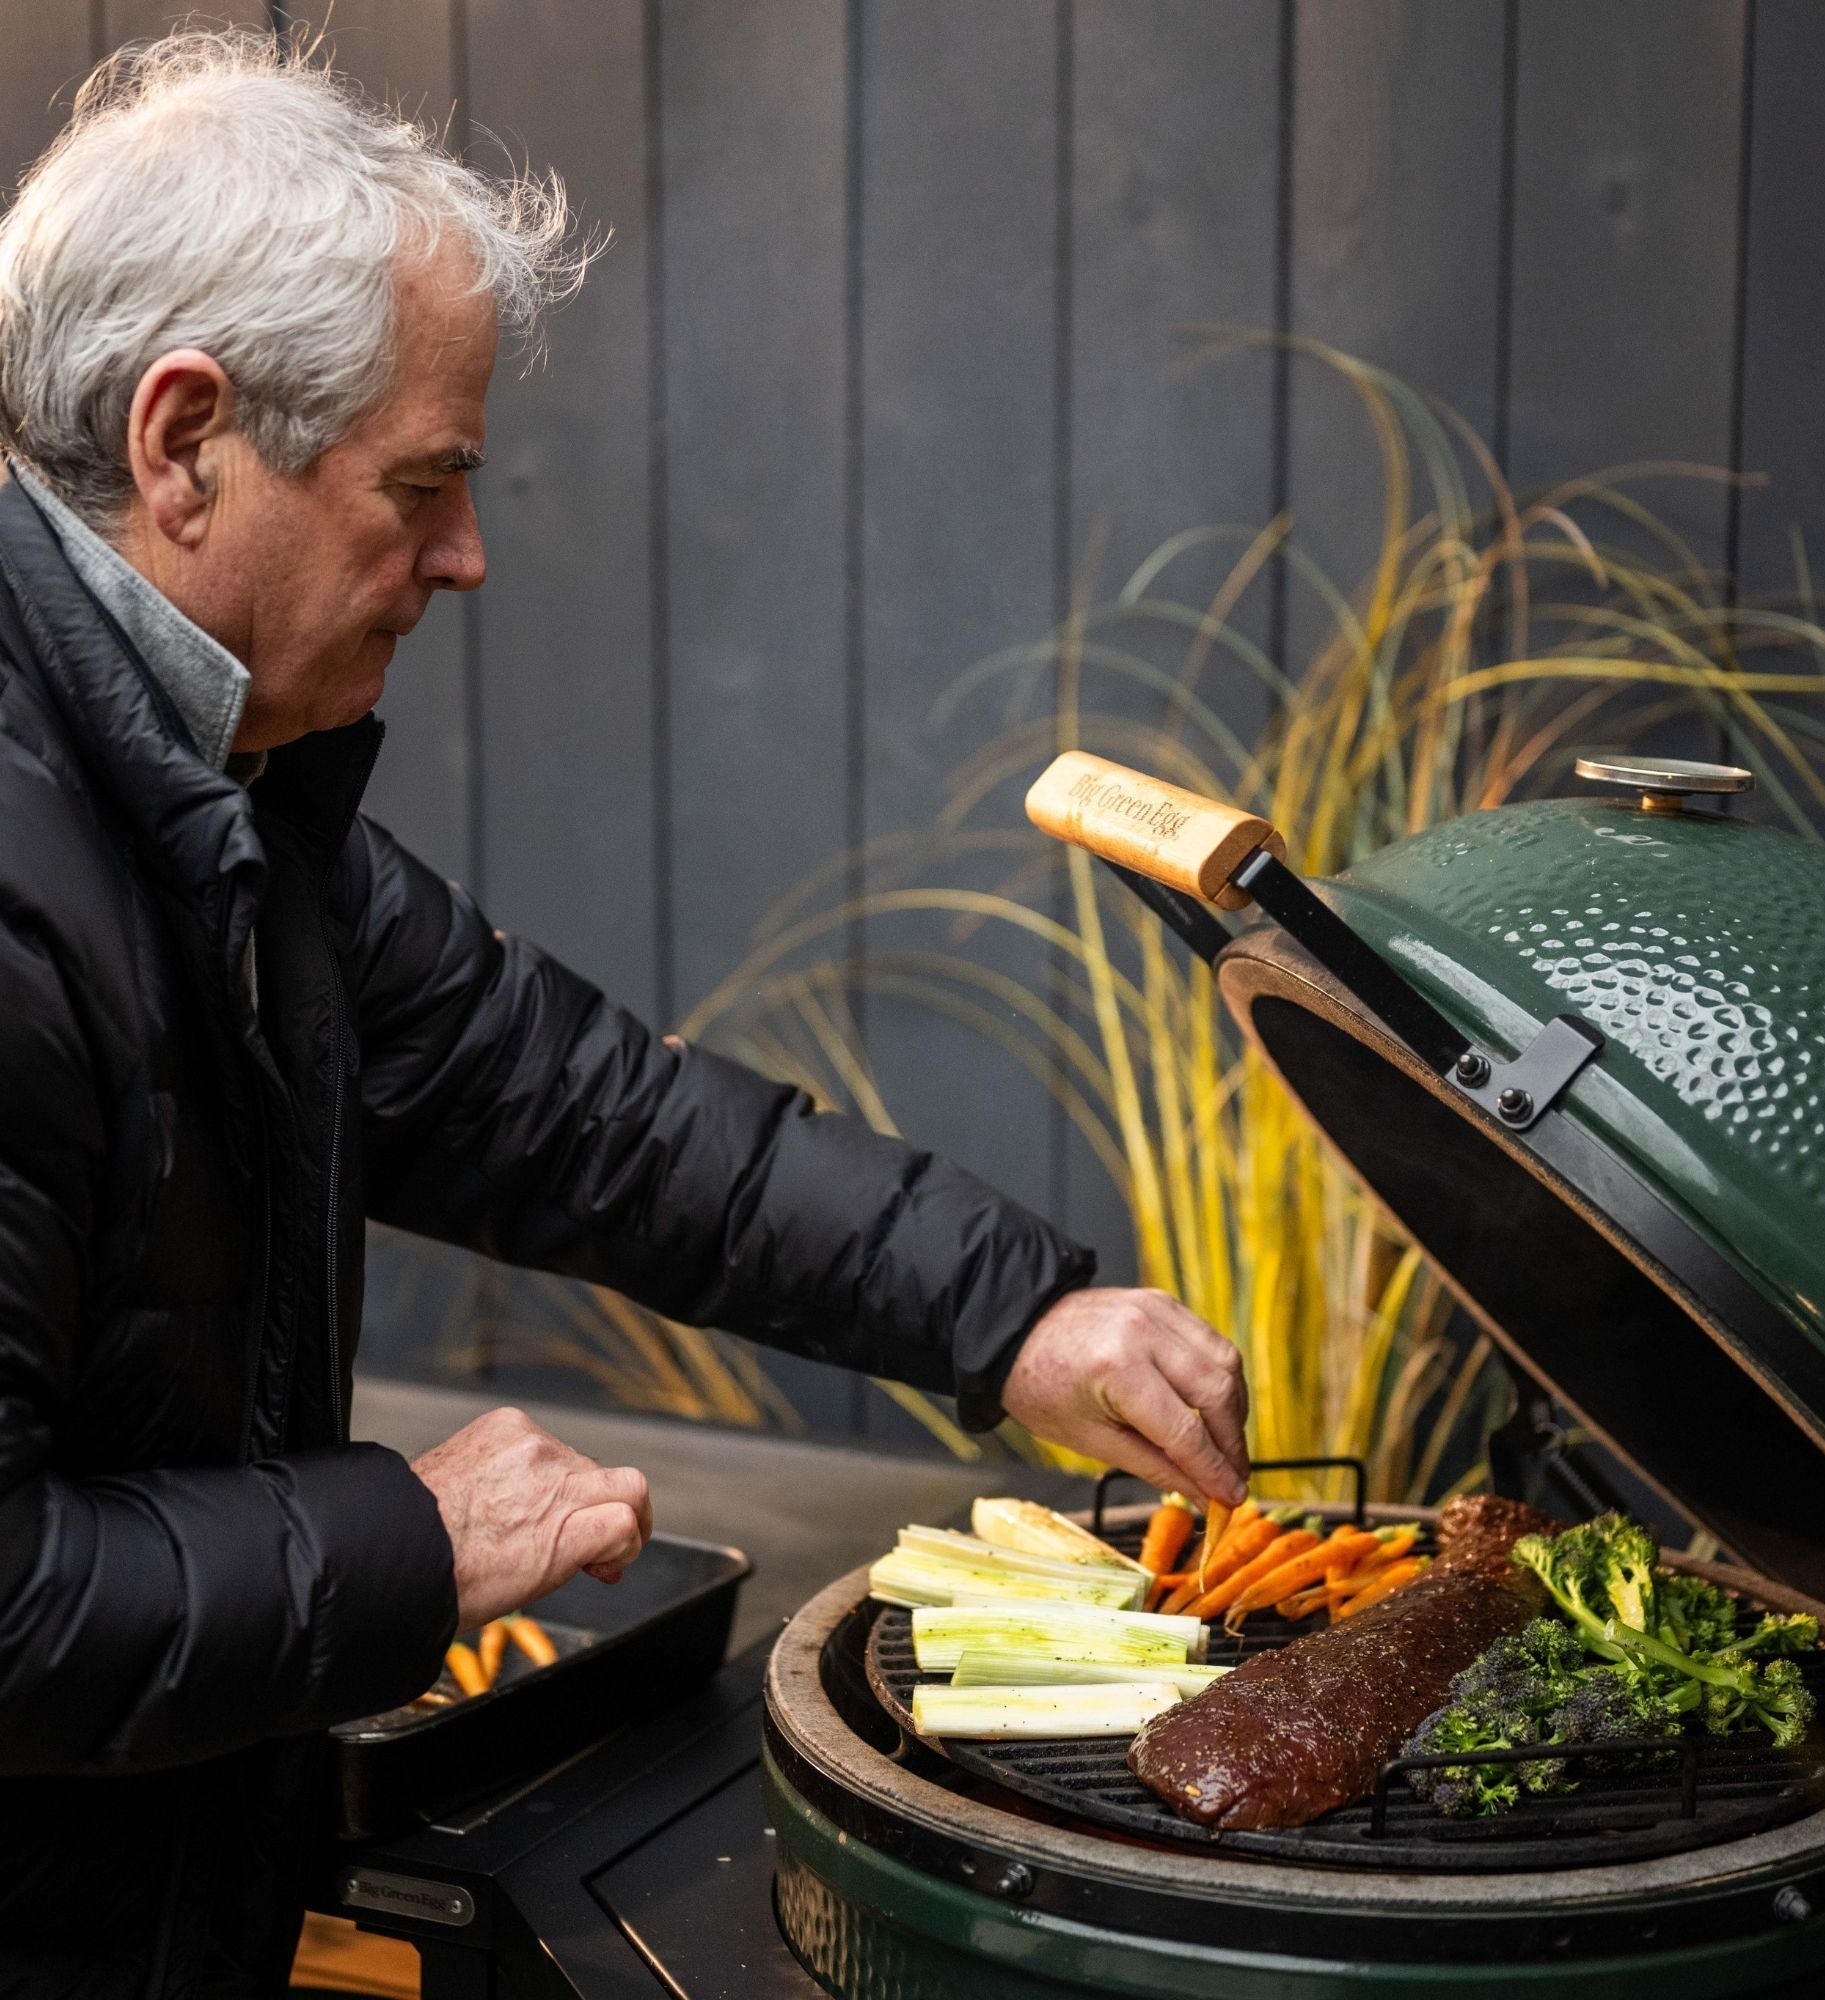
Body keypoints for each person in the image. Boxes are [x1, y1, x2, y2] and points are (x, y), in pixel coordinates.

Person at [0, 30, 1249, 1998]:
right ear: (184, 444)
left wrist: (1010, 1309)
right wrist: (409, 1540)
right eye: (419, 485)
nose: (467, 557)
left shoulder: (210, 785)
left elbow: (574, 1108)